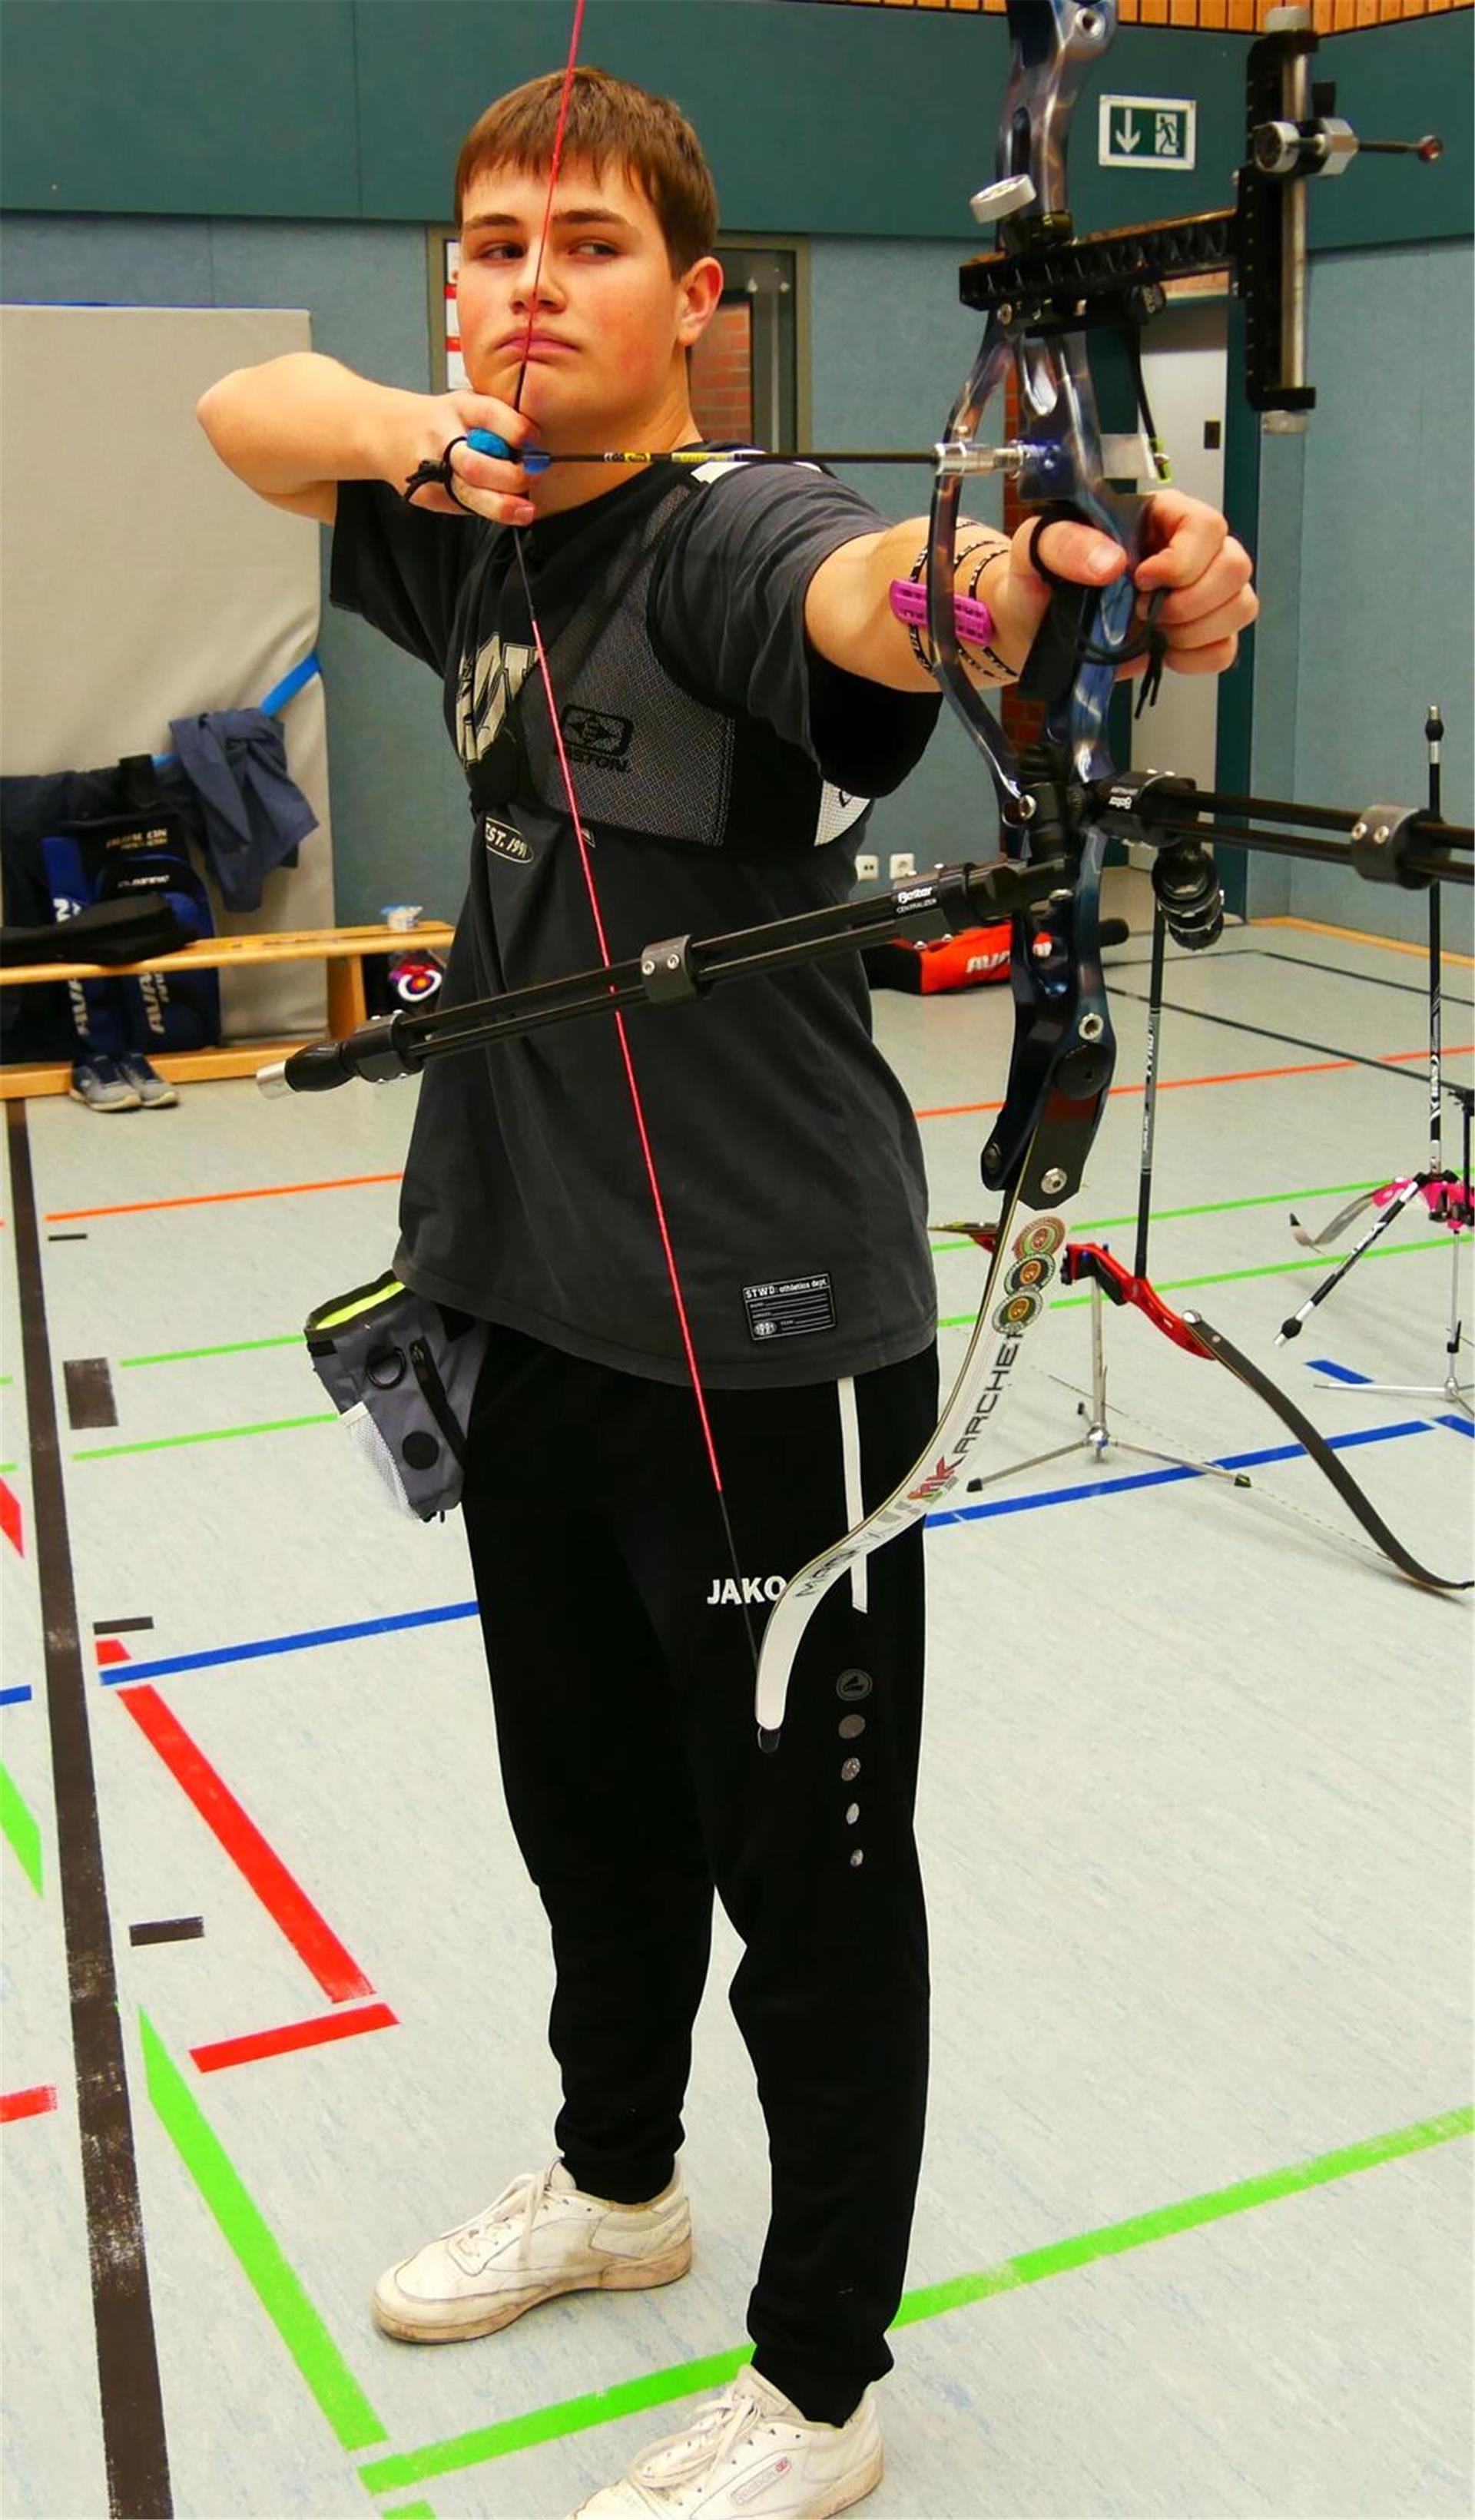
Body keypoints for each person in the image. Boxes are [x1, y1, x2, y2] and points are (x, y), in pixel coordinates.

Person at [197, 64, 1255, 2520]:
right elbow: (256, 416)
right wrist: (412, 423)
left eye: (585, 245)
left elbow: (902, 597)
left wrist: (1071, 571)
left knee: (813, 1877)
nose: (525, 283)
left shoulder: (723, 532)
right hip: (519, 1295)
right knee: (584, 1816)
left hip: (769, 1342)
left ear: (700, 303)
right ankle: (618, 2180)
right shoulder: (462, 523)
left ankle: (820, 2380)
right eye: (488, 246)